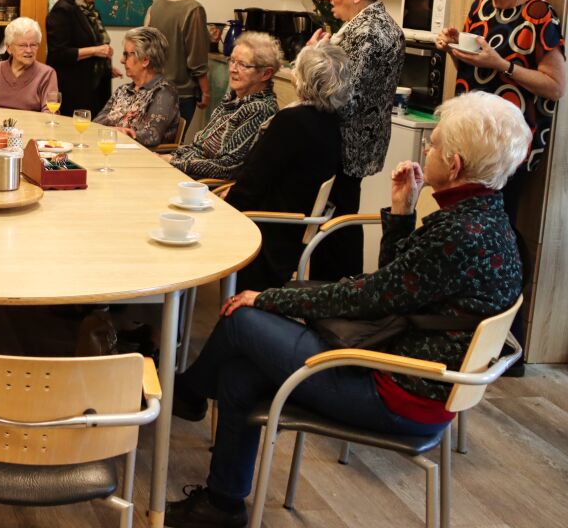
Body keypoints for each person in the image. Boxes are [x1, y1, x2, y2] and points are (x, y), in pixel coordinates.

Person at [164, 91, 529, 528]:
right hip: (419, 381)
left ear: (453, 166)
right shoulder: (487, 219)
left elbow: (368, 298)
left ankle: (185, 395)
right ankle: (222, 505)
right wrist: (402, 211)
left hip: (396, 390)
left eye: (431, 145)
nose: (425, 149)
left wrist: (268, 297)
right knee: (239, 375)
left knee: (242, 317)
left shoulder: (457, 234)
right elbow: (399, 285)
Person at [436, 0, 565, 372]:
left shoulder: (540, 14)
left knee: (501, 239)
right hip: (474, 141)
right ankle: (465, 337)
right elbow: (478, 73)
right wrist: (455, 49)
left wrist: (503, 63)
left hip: (512, 147)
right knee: (473, 237)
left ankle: (506, 350)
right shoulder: (480, 7)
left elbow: (555, 86)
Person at [307, 0, 405, 282]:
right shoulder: (366, 24)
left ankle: (337, 292)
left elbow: (345, 96)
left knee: (338, 225)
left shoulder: (369, 32)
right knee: (337, 221)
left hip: (348, 147)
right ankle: (335, 291)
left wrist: (311, 60)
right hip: (354, 144)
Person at [224, 43, 346, 290]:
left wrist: (224, 205)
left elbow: (253, 182)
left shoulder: (291, 122)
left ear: (299, 79)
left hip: (267, 229)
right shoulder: (332, 121)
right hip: (292, 229)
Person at [166, 32, 280, 179]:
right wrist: (169, 157)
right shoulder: (232, 99)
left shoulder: (260, 109)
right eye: (232, 61)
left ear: (265, 74)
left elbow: (227, 167)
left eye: (242, 65)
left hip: (205, 187)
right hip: (186, 174)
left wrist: (175, 162)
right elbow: (198, 146)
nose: (233, 69)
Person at [46, 0, 118, 118]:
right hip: (75, 95)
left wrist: (103, 65)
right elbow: (58, 54)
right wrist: (95, 51)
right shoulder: (61, 11)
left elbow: (86, 44)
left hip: (95, 90)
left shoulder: (89, 10)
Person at [145, 0, 212, 126]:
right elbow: (196, 59)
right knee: (174, 145)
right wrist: (205, 91)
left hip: (153, 86)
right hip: (180, 92)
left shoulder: (159, 0)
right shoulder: (193, 8)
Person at [92, 26, 179, 147]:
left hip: (142, 160)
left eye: (126, 54)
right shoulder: (123, 90)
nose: (122, 60)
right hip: (111, 153)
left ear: (145, 60)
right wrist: (113, 132)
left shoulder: (164, 92)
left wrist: (121, 134)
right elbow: (96, 124)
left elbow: (151, 135)